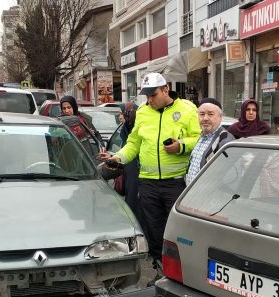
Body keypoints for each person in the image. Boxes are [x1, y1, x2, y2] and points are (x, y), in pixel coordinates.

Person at [101, 73, 200, 281]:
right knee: (154, 229)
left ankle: (185, 272)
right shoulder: (144, 112)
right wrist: (117, 157)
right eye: (146, 96)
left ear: (166, 90)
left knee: (177, 230)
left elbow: (199, 139)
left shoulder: (187, 109)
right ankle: (160, 270)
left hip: (176, 183)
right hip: (148, 183)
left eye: (153, 95)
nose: (149, 100)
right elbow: (134, 144)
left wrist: (181, 146)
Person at [185, 97, 235, 185]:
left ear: (220, 117)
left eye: (210, 114)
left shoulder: (226, 141)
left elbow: (230, 177)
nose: (205, 118)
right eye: (202, 114)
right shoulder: (202, 137)